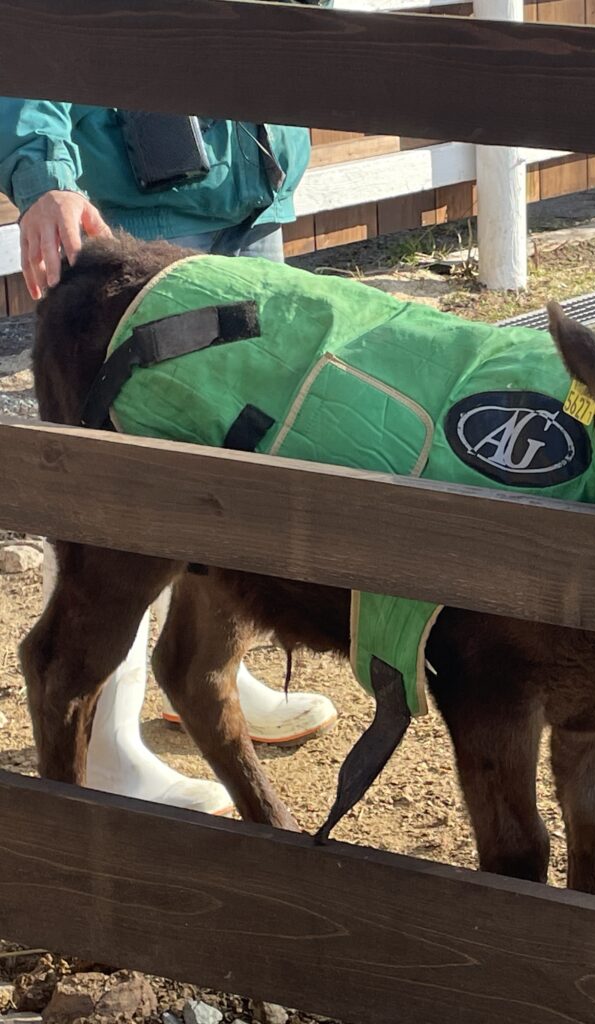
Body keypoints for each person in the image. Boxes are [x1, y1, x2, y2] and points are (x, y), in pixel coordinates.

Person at [0, 97, 338, 814]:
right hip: (140, 212)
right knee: (124, 490)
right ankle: (106, 738)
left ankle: (207, 674)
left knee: (245, 454)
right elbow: (41, 36)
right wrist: (44, 172)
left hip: (249, 196)